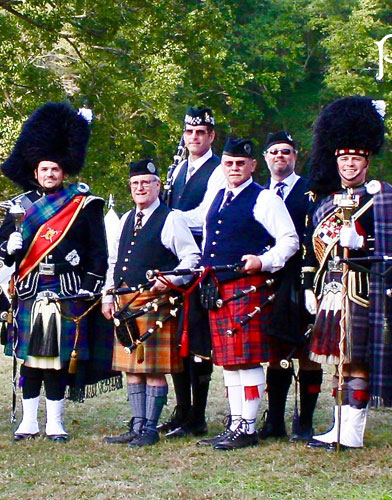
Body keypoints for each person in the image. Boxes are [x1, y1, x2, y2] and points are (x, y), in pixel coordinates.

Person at [0, 103, 113, 442]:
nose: (50, 174)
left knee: (59, 360)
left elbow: (97, 251)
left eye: (55, 169)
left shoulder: (84, 204)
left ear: (64, 172)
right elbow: (2, 249)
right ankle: (29, 421)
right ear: (36, 171)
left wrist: (91, 284)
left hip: (66, 287)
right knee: (31, 359)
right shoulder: (20, 206)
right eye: (44, 169)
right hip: (31, 287)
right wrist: (11, 247)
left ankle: (55, 422)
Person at [301, 96, 392, 450]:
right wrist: (309, 285)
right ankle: (337, 426)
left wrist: (363, 242)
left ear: (367, 160)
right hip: (331, 287)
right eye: (344, 158)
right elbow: (313, 248)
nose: (349, 164)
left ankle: (353, 432)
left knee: (357, 361)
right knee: (338, 362)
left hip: (363, 289)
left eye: (356, 158)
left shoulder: (384, 196)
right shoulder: (326, 201)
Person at [185, 138, 300, 450]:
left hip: (246, 287)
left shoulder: (264, 199)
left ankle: (248, 427)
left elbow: (289, 241)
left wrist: (262, 261)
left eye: (240, 163)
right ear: (223, 165)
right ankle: (235, 422)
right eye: (229, 163)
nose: (234, 168)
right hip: (217, 286)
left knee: (246, 360)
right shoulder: (218, 197)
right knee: (229, 361)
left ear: (252, 166)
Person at [99, 159, 200, 447]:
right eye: (135, 184)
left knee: (153, 369)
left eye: (146, 182)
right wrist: (109, 294)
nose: (140, 187)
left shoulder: (171, 218)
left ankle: (151, 429)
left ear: (158, 186)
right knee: (132, 368)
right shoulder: (126, 218)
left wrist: (170, 280)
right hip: (125, 301)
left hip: (156, 302)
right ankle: (138, 424)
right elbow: (114, 261)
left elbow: (191, 259)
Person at [159, 106, 225, 439]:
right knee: (175, 341)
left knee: (196, 341)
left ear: (211, 135)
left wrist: (167, 220)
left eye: (201, 132)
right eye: (189, 132)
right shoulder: (178, 169)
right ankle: (182, 410)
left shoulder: (218, 170)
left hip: (200, 264)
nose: (194, 137)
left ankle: (197, 415)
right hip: (176, 260)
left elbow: (207, 215)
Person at [257, 130, 321, 442]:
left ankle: (305, 421)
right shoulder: (257, 194)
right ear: (265, 158)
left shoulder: (311, 191)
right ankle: (275, 421)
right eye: (274, 152)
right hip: (267, 280)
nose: (280, 157)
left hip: (302, 278)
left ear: (295, 156)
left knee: (308, 351)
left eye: (286, 151)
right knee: (276, 351)